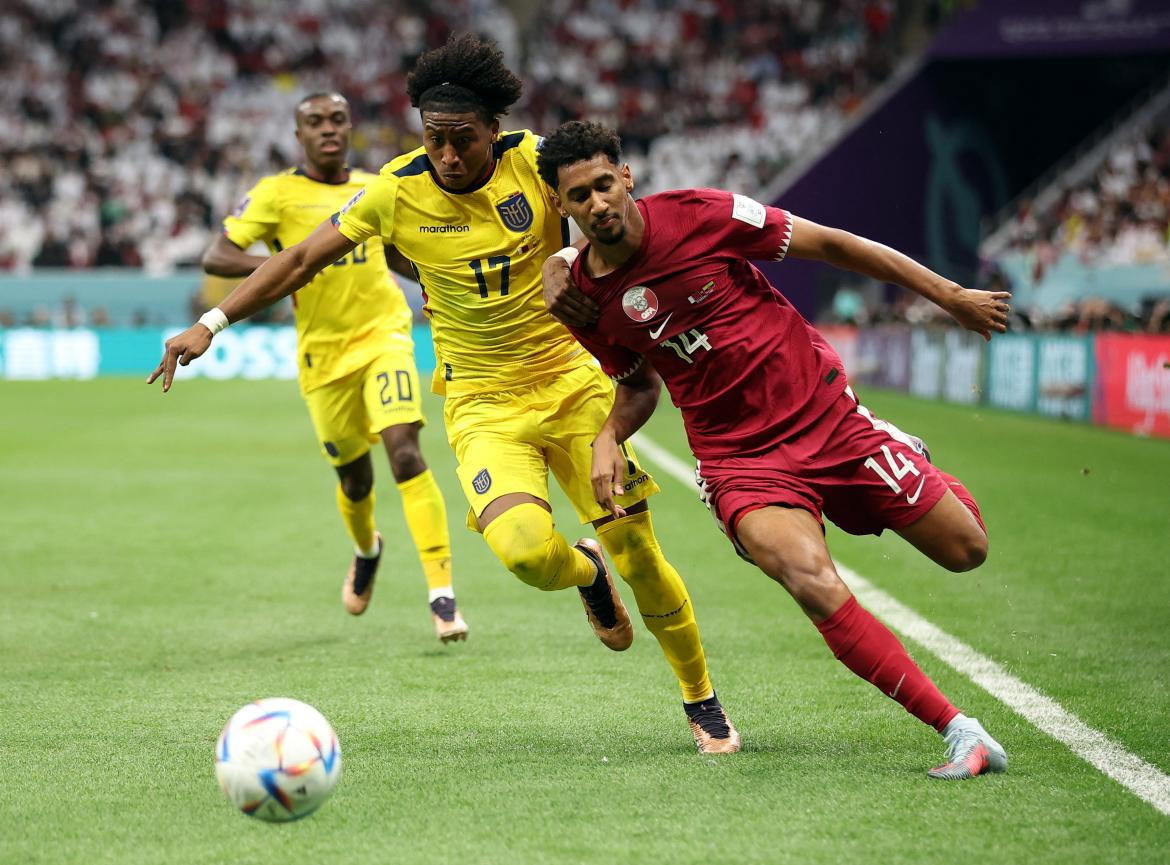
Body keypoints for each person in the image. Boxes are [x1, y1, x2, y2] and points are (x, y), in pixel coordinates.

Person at [149, 37, 739, 754]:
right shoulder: (396, 189)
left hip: (572, 381)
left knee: (641, 552)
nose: (449, 157)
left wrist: (581, 266)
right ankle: (587, 571)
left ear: (497, 130)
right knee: (524, 553)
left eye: (464, 141)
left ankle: (701, 699)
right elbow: (300, 258)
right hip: (482, 402)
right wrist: (210, 322)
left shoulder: (540, 162)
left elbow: (622, 211)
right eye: (436, 141)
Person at [536, 120, 1012, 780]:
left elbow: (837, 245)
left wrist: (950, 297)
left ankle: (901, 447)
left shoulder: (705, 214)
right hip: (740, 462)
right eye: (579, 196)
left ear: (627, 178)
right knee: (811, 580)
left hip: (827, 418)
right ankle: (958, 730)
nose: (597, 204)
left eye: (604, 184)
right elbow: (637, 386)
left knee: (968, 549)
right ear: (560, 208)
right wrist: (608, 436)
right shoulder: (581, 298)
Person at [197, 92, 468, 643]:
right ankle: (368, 549)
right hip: (323, 354)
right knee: (354, 475)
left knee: (405, 450)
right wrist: (287, 266)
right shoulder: (275, 193)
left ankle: (442, 594)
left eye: (337, 120)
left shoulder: (376, 186)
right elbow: (218, 255)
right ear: (298, 135)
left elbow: (397, 252)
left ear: (350, 128)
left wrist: (444, 286)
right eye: (315, 122)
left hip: (384, 335)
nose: (328, 129)